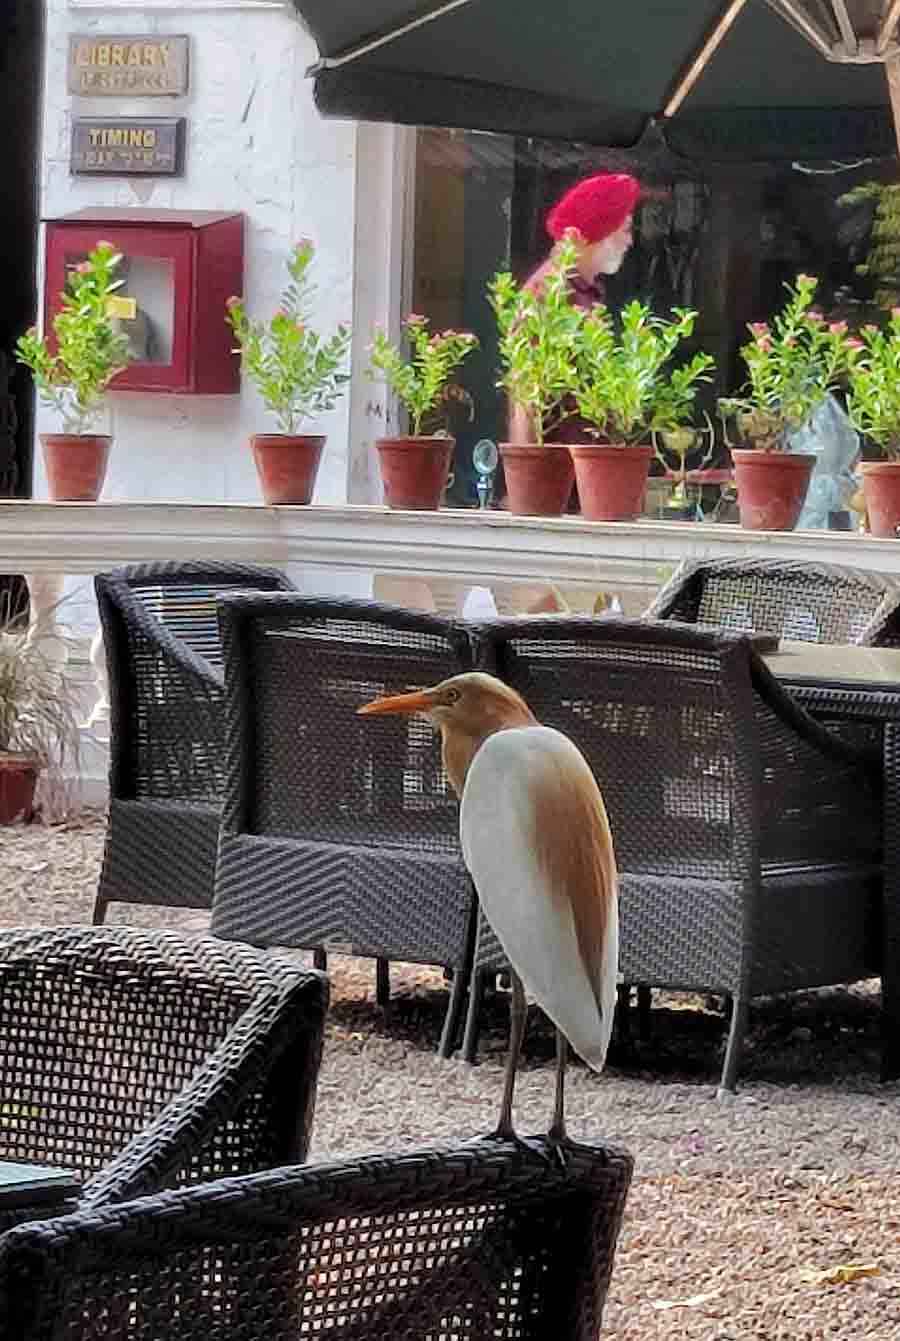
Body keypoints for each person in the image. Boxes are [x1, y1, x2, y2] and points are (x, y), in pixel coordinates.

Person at [508, 171, 641, 447]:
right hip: (560, 479)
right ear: (599, 230)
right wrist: (530, 481)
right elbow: (526, 401)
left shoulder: (584, 292)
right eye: (625, 229)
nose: (630, 242)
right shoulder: (546, 294)